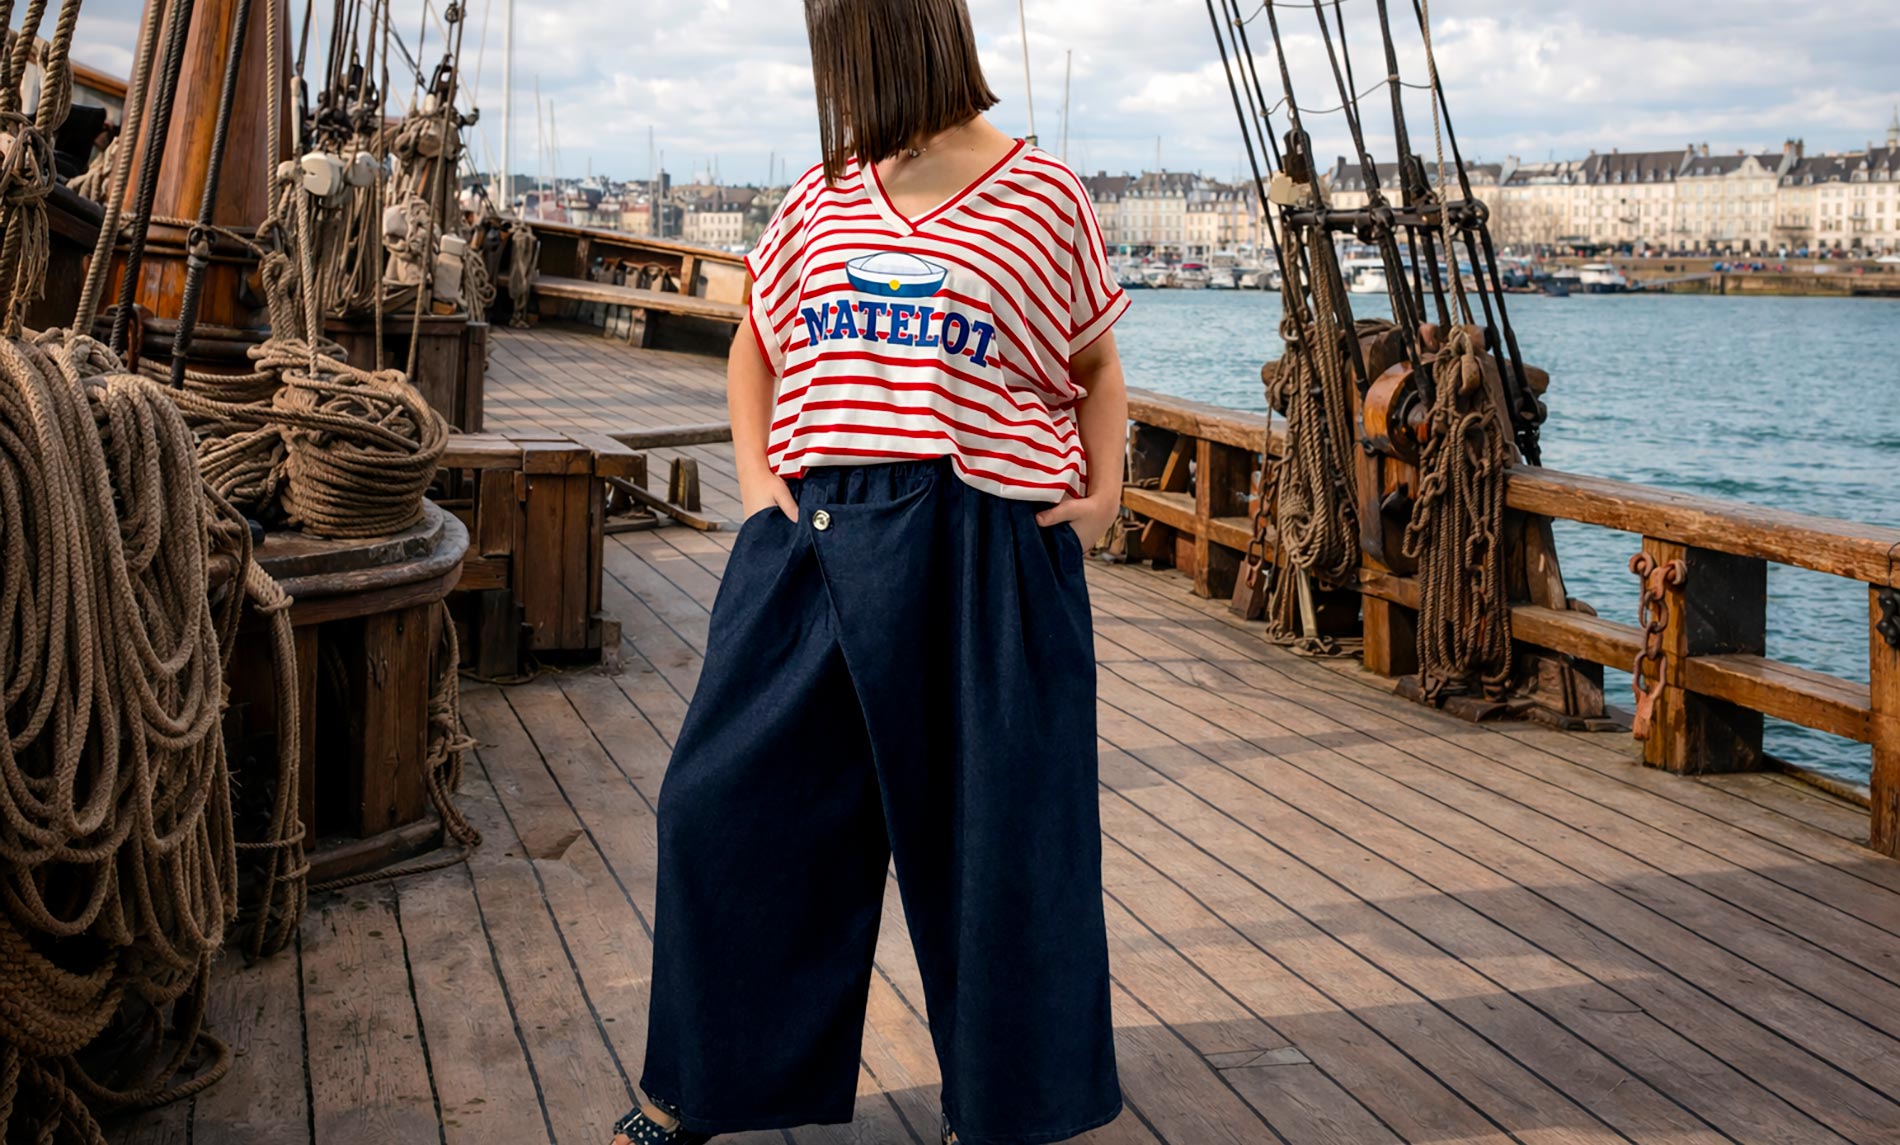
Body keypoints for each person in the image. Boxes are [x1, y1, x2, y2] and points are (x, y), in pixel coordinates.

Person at [608, 1, 1130, 1143]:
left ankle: (998, 1110)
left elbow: (1094, 365)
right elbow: (754, 343)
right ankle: (698, 1083)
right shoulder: (822, 193)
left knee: (996, 843)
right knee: (717, 802)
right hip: (818, 537)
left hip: (985, 545)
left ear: (892, 40)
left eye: (840, 55)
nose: (832, 82)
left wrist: (1100, 502)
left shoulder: (1045, 195)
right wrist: (758, 484)